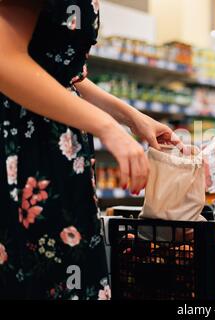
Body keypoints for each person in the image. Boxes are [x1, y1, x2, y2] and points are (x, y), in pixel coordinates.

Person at [0, 0, 182, 299]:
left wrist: (130, 118)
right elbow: (5, 59)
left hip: (57, 150)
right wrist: (107, 126)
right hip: (21, 148)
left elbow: (60, 69)